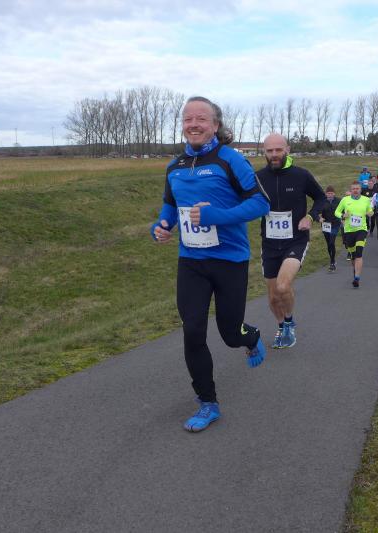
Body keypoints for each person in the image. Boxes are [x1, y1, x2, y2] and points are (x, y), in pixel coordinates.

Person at [151, 96, 270, 432]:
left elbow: (261, 203)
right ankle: (207, 402)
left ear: (215, 125)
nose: (193, 124)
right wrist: (162, 226)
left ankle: (250, 336)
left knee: (230, 333)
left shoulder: (231, 160)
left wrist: (216, 216)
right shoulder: (174, 167)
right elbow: (169, 206)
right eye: (187, 119)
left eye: (201, 118)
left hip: (230, 260)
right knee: (192, 331)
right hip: (191, 261)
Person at [257, 133, 326, 349]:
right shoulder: (258, 178)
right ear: (264, 152)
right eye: (270, 151)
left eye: (278, 150)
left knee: (283, 285)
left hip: (295, 240)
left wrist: (310, 217)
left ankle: (289, 323)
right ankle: (281, 325)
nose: (274, 154)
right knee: (272, 297)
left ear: (287, 149)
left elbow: (321, 198)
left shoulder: (301, 175)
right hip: (269, 243)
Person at [335, 181, 373, 288]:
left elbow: (371, 211)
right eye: (353, 189)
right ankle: (355, 270)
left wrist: (370, 213)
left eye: (357, 188)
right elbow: (336, 212)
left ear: (360, 189)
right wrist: (343, 215)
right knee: (353, 256)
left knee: (359, 252)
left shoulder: (366, 200)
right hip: (349, 231)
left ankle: (357, 278)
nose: (355, 190)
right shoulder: (345, 200)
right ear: (351, 190)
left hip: (361, 229)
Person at [319, 185, 341, 272]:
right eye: (328, 193)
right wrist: (319, 217)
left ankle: (332, 263)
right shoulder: (322, 201)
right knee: (329, 243)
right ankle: (332, 259)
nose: (330, 195)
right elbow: (317, 212)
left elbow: (343, 210)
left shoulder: (338, 201)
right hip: (326, 225)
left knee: (332, 242)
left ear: (334, 194)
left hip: (335, 224)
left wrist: (343, 218)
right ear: (326, 194)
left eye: (331, 193)